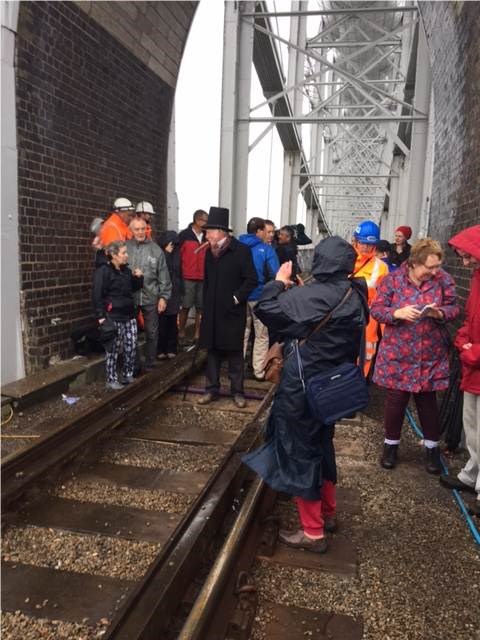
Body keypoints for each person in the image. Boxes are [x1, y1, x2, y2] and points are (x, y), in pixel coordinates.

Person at [243, 237, 369, 553]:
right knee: (322, 446)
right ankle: (327, 514)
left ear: (319, 262)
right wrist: (300, 291)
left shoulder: (312, 295)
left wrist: (278, 283)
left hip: (303, 387)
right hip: (333, 388)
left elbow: (267, 310)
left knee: (300, 451)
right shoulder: (355, 292)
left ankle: (312, 533)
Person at [371, 238, 460, 473]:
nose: (434, 272)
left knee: (427, 402)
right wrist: (396, 312)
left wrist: (438, 313)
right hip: (398, 352)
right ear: (413, 263)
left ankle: (432, 450)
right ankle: (390, 446)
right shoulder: (392, 280)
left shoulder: (443, 281)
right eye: (429, 267)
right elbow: (377, 309)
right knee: (396, 401)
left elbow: (454, 308)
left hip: (429, 353)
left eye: (437, 267)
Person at [198, 207, 257, 408]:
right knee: (212, 352)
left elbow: (251, 280)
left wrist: (235, 299)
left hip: (232, 312)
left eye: (208, 231)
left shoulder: (241, 251)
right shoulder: (209, 252)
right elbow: (206, 281)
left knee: (234, 354)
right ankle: (211, 389)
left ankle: (237, 392)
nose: (206, 235)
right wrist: (205, 304)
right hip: (212, 312)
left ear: (219, 232)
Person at [440, 225, 480, 516]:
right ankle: (471, 475)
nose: (465, 263)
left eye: (468, 257)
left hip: (475, 361)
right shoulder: (478, 278)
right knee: (472, 427)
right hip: (473, 367)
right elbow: (470, 318)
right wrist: (463, 340)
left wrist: (471, 350)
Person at [92, 241, 143, 390]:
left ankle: (128, 374)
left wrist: (138, 278)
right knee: (113, 349)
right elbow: (97, 294)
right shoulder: (103, 271)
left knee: (131, 346)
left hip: (128, 315)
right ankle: (111, 379)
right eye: (124, 253)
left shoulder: (126, 271)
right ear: (114, 255)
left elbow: (132, 289)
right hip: (113, 316)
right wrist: (101, 316)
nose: (127, 255)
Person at [126, 218, 171, 371]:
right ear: (131, 230)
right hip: (129, 297)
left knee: (151, 332)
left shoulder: (156, 250)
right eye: (136, 229)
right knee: (131, 334)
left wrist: (164, 297)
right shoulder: (125, 247)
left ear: (147, 229)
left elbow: (164, 276)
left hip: (150, 296)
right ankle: (134, 364)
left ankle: (150, 363)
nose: (140, 232)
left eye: (142, 229)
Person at [239, 217, 280, 380]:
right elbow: (275, 275)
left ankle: (237, 369)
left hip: (240, 297)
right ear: (258, 231)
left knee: (241, 333)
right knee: (261, 334)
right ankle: (259, 370)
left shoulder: (236, 246)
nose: (268, 234)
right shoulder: (266, 249)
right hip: (259, 297)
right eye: (265, 231)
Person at [352, 221, 389, 376]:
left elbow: (386, 300)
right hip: (347, 316)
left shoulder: (381, 267)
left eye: (369, 244)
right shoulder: (346, 260)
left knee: (366, 356)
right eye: (363, 243)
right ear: (355, 241)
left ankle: (360, 385)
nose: (366, 247)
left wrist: (386, 332)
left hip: (369, 321)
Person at [178, 209, 209, 344]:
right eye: (205, 221)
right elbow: (177, 257)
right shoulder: (184, 236)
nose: (207, 223)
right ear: (197, 220)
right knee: (185, 306)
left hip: (202, 277)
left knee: (200, 307)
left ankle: (197, 334)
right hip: (187, 277)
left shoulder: (207, 237)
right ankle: (181, 332)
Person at [158, 230, 183, 359]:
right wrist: (166, 254)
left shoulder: (178, 255)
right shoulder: (161, 254)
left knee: (172, 322)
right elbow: (162, 269)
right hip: (163, 291)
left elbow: (179, 272)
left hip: (174, 291)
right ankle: (161, 349)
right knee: (162, 322)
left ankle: (171, 348)